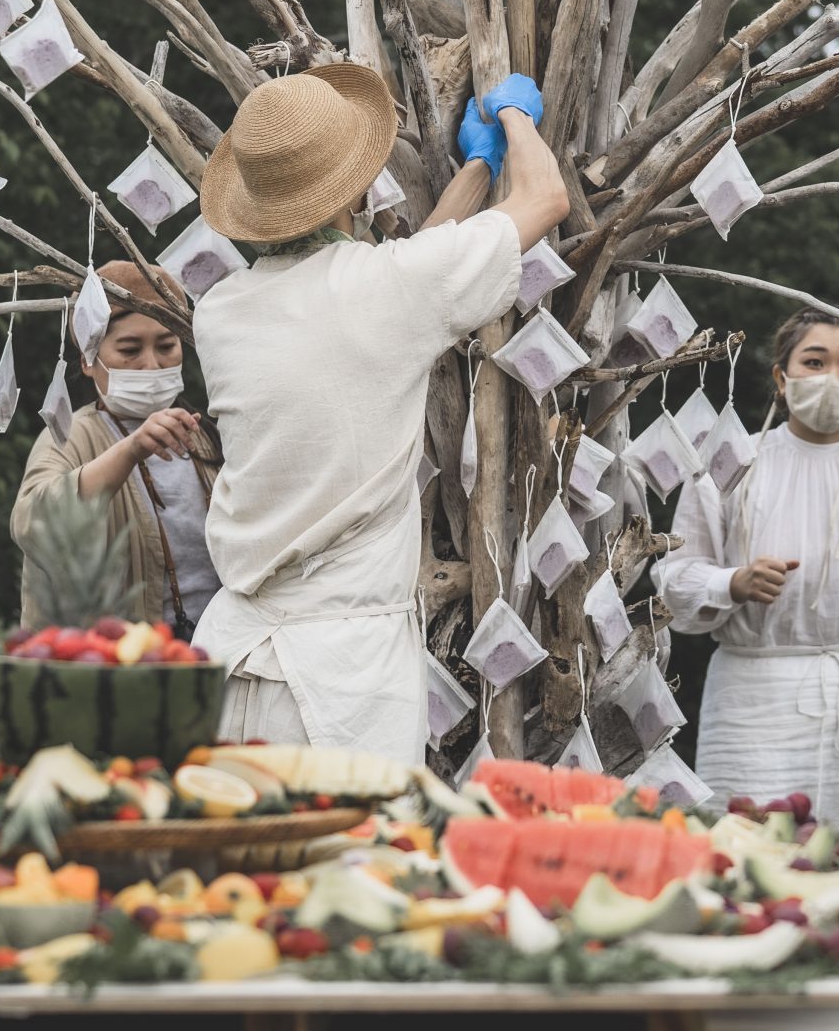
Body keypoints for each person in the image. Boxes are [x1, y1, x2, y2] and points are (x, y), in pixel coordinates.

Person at [190, 64, 569, 761]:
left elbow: (405, 281)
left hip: (229, 660)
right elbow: (546, 197)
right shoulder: (387, 291)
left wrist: (478, 169)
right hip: (336, 679)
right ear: (357, 185)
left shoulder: (220, 311)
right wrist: (514, 120)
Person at [657, 311, 839, 850]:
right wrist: (732, 584)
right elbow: (674, 578)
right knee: (741, 858)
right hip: (750, 703)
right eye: (814, 362)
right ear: (781, 377)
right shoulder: (728, 466)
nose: (831, 378)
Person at [13, 260, 220, 634]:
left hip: (217, 649)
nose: (151, 364)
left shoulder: (207, 432)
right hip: (121, 660)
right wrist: (131, 450)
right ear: (89, 362)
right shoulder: (71, 434)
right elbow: (32, 523)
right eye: (129, 349)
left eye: (166, 346)